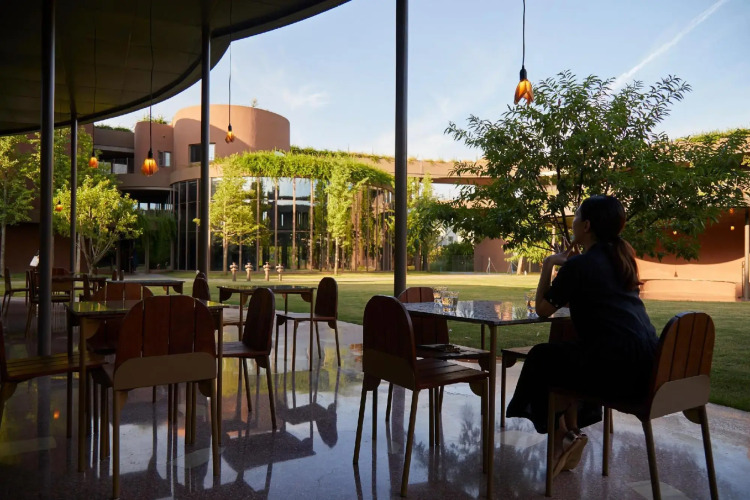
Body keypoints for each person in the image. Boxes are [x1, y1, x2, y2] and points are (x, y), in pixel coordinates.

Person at [506, 195, 658, 477]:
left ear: (586, 226)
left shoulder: (580, 266)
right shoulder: (623, 260)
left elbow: (542, 310)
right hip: (647, 366)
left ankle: (561, 439)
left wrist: (549, 264)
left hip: (617, 373)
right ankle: (570, 431)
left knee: (541, 358)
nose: (573, 221)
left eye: (576, 216)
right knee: (564, 356)